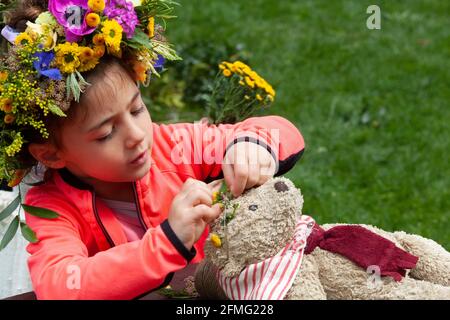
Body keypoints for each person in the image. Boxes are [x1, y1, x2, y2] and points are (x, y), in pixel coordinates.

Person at [0, 0, 305, 299]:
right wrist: (168, 241)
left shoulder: (174, 147)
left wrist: (252, 147)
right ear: (51, 154)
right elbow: (60, 287)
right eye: (106, 133)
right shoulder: (53, 206)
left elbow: (280, 131)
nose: (136, 136)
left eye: (136, 109)